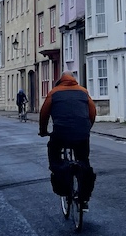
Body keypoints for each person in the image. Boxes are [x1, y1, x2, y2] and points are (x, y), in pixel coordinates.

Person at [39, 73, 96, 205]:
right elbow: (92, 112)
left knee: (54, 152)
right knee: (83, 160)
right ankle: (84, 196)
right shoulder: (83, 92)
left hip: (61, 133)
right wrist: (87, 128)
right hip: (82, 133)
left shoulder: (54, 92)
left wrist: (43, 131)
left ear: (60, 81)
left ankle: (62, 170)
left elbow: (44, 113)